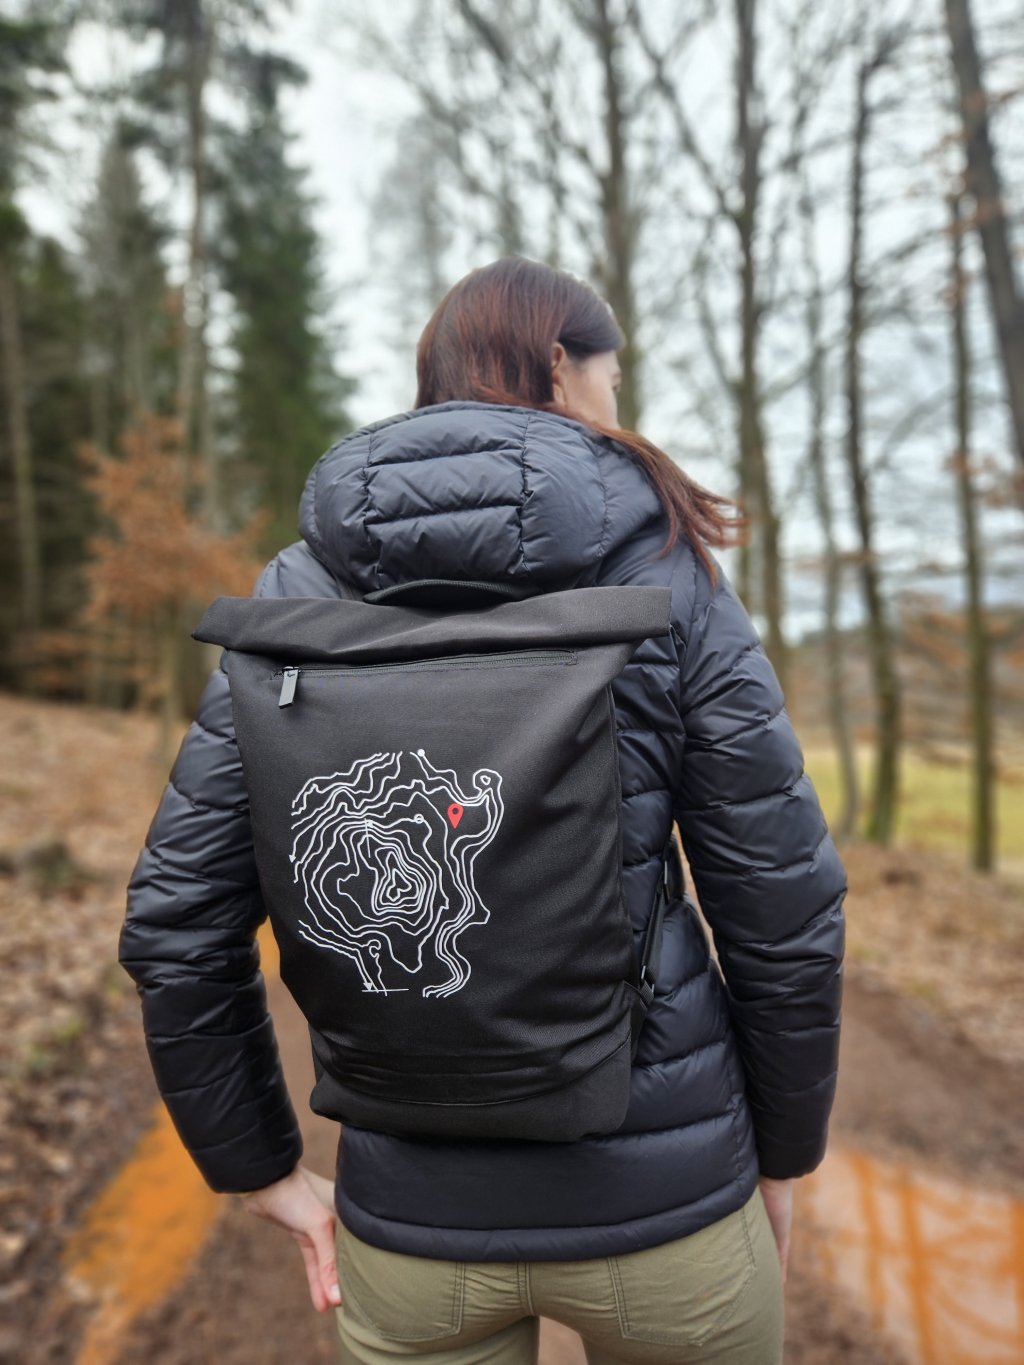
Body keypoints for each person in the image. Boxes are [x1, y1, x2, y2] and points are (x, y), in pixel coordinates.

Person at [120, 255, 846, 1364]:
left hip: (411, 1228)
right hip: (667, 1215)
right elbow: (782, 907)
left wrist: (256, 1167)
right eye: (611, 378)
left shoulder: (300, 590)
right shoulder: (665, 569)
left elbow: (177, 922)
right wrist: (785, 1152)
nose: (614, 405)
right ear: (560, 365)